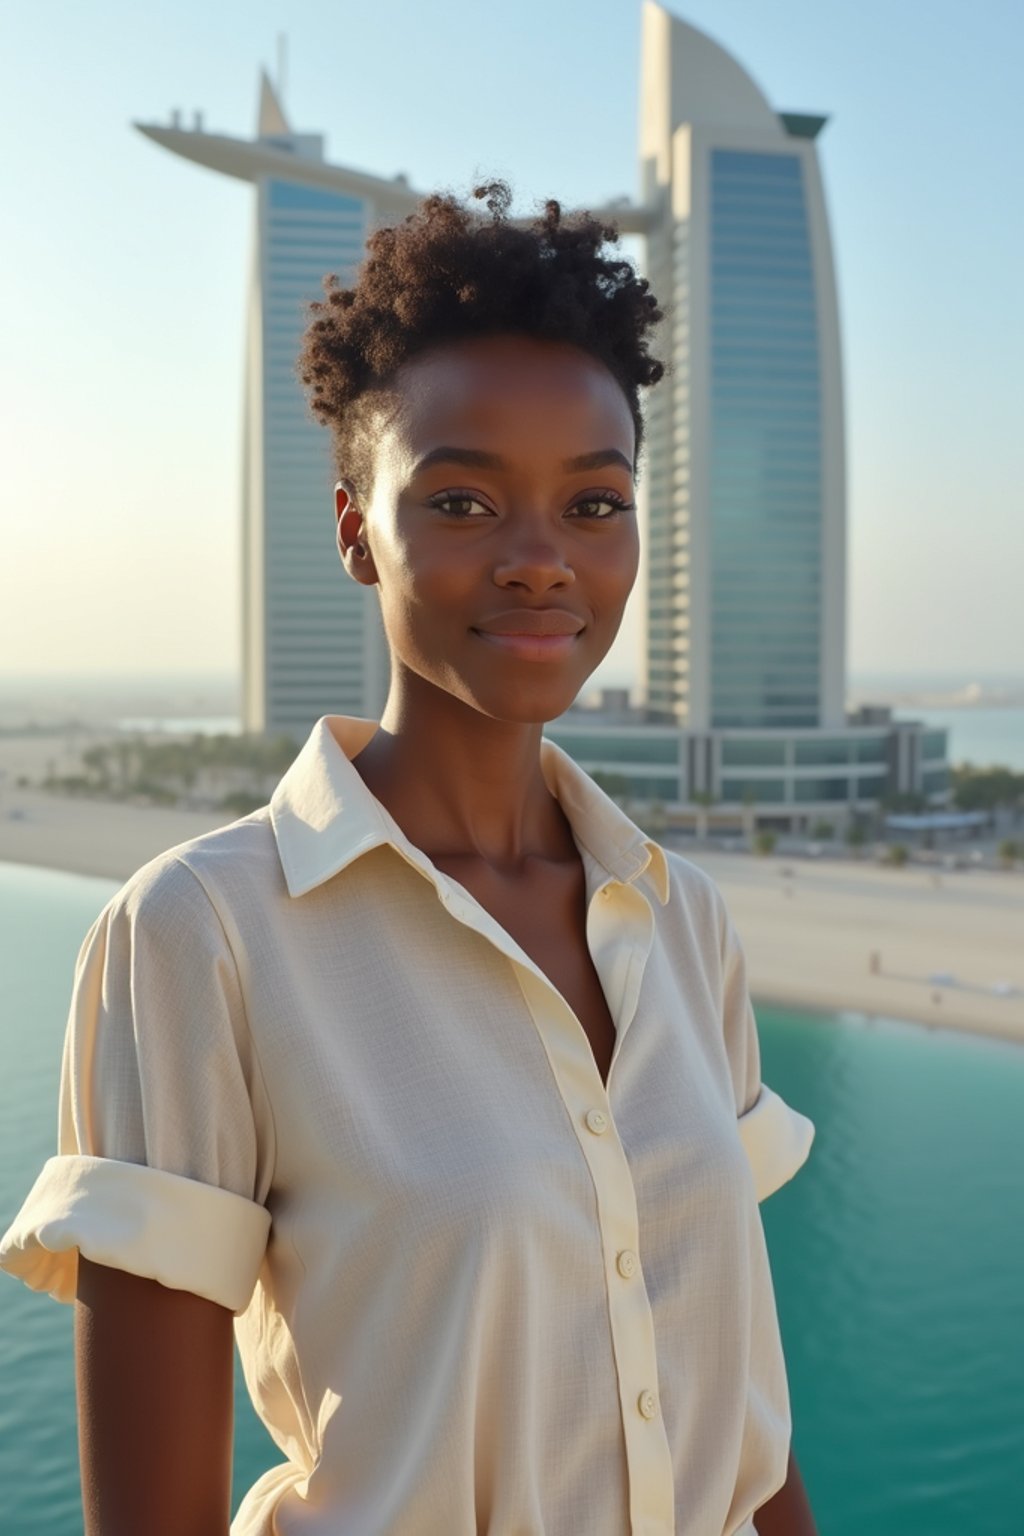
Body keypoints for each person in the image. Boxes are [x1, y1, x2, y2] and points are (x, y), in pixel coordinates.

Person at [0, 182, 817, 1536]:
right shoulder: (200, 938)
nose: (544, 561)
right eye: (463, 500)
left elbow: (746, 1426)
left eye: (596, 504)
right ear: (352, 529)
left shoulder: (688, 925)